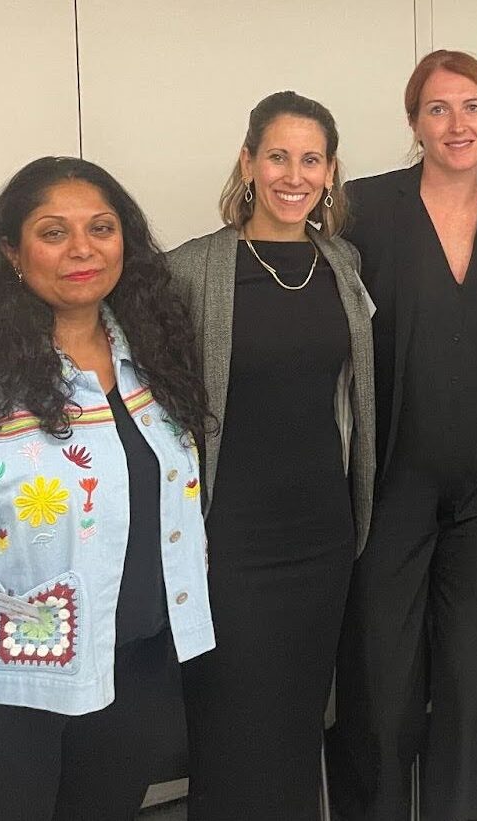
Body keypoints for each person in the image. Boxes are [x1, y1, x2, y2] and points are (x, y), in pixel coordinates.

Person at [0, 156, 215, 819]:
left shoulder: (152, 364)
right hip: (9, 695)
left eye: (101, 228)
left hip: (131, 673)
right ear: (12, 252)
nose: (82, 248)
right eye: (53, 231)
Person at [327, 50, 477, 821]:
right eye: (439, 108)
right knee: (381, 664)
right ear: (415, 121)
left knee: (475, 665)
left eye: (472, 106)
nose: (457, 123)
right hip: (390, 479)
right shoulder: (362, 210)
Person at [167, 90, 375, 820]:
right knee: (230, 732)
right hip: (229, 544)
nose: (294, 175)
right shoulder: (191, 271)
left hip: (321, 537)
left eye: (310, 159)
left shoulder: (342, 263)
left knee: (295, 727)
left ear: (329, 171)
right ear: (249, 162)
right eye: (278, 156)